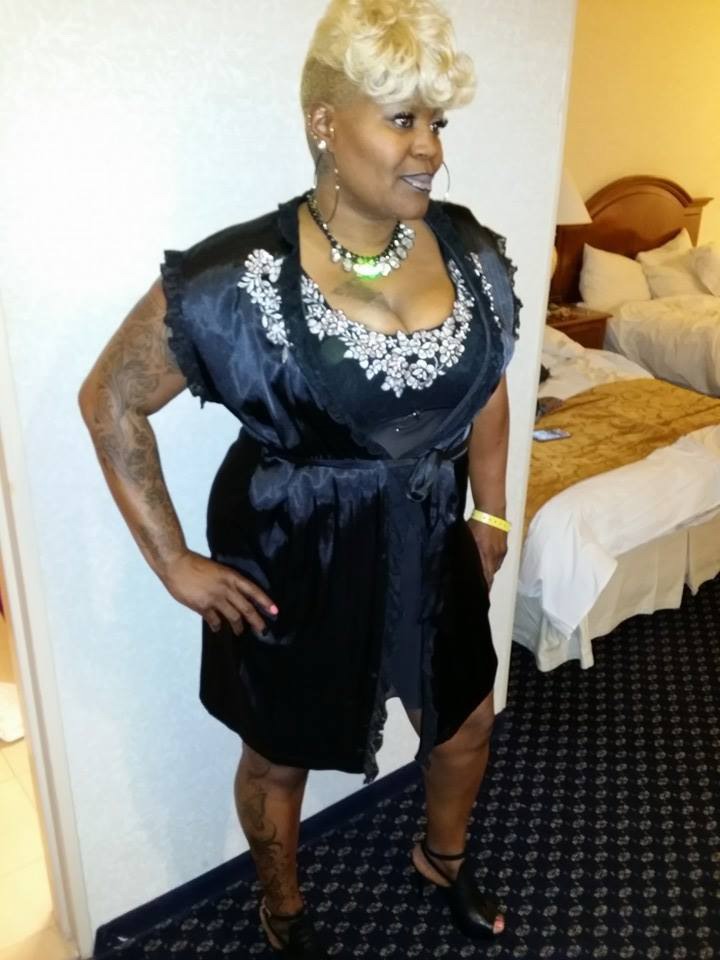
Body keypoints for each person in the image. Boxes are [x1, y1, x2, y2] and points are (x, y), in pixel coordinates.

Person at [79, 0, 520, 955]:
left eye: (437, 121)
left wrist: (490, 511)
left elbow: (486, 380)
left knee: (467, 725)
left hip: (430, 537)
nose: (430, 149)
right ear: (325, 121)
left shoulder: (470, 250)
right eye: (401, 118)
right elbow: (110, 400)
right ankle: (282, 908)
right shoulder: (237, 276)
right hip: (293, 549)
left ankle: (440, 859)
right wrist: (174, 563)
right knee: (278, 758)